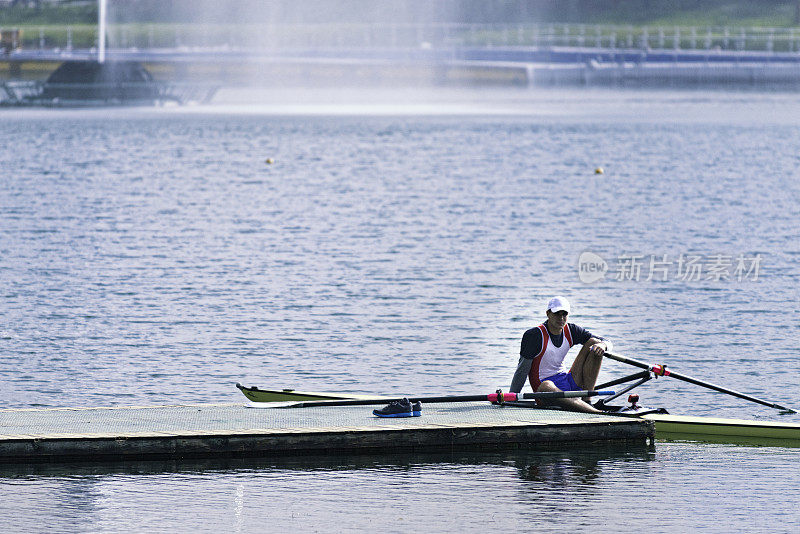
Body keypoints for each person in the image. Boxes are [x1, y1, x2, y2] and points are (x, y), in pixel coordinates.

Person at [510, 296, 611, 413]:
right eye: (557, 313)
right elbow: (522, 371)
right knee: (546, 386)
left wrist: (603, 346)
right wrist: (511, 398)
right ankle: (594, 412)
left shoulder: (572, 330)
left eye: (564, 314)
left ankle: (587, 401)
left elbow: (606, 341)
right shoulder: (534, 336)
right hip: (545, 392)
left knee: (594, 343)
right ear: (548, 314)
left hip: (568, 382)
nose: (561, 318)